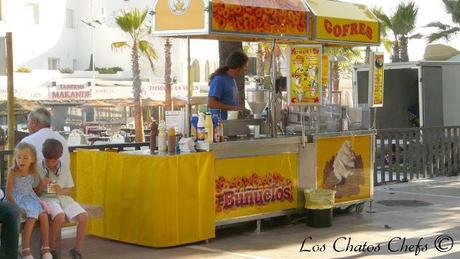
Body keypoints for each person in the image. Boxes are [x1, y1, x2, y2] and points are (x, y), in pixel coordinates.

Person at [34, 138, 88, 259]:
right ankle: (51, 249)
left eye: (53, 161)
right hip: (47, 199)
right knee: (59, 216)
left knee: (84, 216)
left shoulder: (64, 167)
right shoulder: (38, 167)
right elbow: (35, 192)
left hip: (63, 198)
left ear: (59, 158)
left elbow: (69, 190)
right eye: (48, 161)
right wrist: (41, 185)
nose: (50, 164)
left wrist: (60, 190)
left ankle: (77, 250)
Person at [5, 143, 52, 259]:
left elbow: (35, 190)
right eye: (18, 157)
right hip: (17, 199)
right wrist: (17, 208)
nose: (21, 160)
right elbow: (8, 193)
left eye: (25, 157)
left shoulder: (33, 172)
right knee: (31, 217)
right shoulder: (13, 172)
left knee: (44, 216)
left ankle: (45, 247)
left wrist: (43, 184)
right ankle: (25, 249)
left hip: (30, 198)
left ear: (32, 159)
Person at [207, 50, 250, 120]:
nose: (246, 69)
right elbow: (211, 103)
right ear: (238, 67)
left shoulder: (231, 79)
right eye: (245, 66)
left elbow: (231, 101)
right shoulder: (219, 79)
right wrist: (235, 108)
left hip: (230, 122)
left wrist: (241, 109)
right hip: (220, 123)